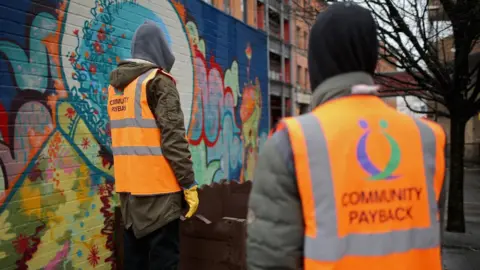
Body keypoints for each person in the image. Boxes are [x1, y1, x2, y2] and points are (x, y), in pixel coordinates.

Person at [246, 3, 446, 270]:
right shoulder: (428, 139)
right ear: (372, 58)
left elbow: (271, 261)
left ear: (317, 62)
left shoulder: (292, 143)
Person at [107, 21, 199, 270]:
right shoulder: (158, 83)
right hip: (161, 198)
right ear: (159, 48)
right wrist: (188, 184)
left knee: (135, 263)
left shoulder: (116, 89)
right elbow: (174, 140)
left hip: (130, 199)